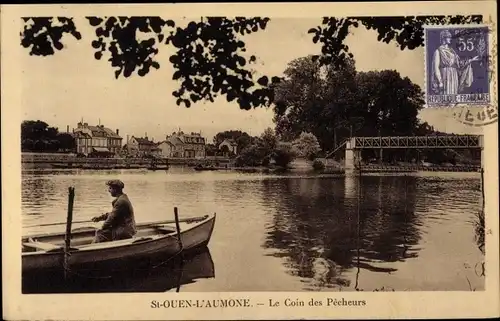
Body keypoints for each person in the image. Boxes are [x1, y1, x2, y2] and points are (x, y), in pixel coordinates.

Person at [431, 29, 480, 95]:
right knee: (445, 97)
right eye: (449, 37)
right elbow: (436, 68)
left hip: (454, 76)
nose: (450, 39)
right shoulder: (438, 51)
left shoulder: (452, 51)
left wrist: (471, 60)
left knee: (454, 96)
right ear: (444, 38)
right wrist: (440, 82)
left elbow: (459, 63)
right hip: (445, 76)